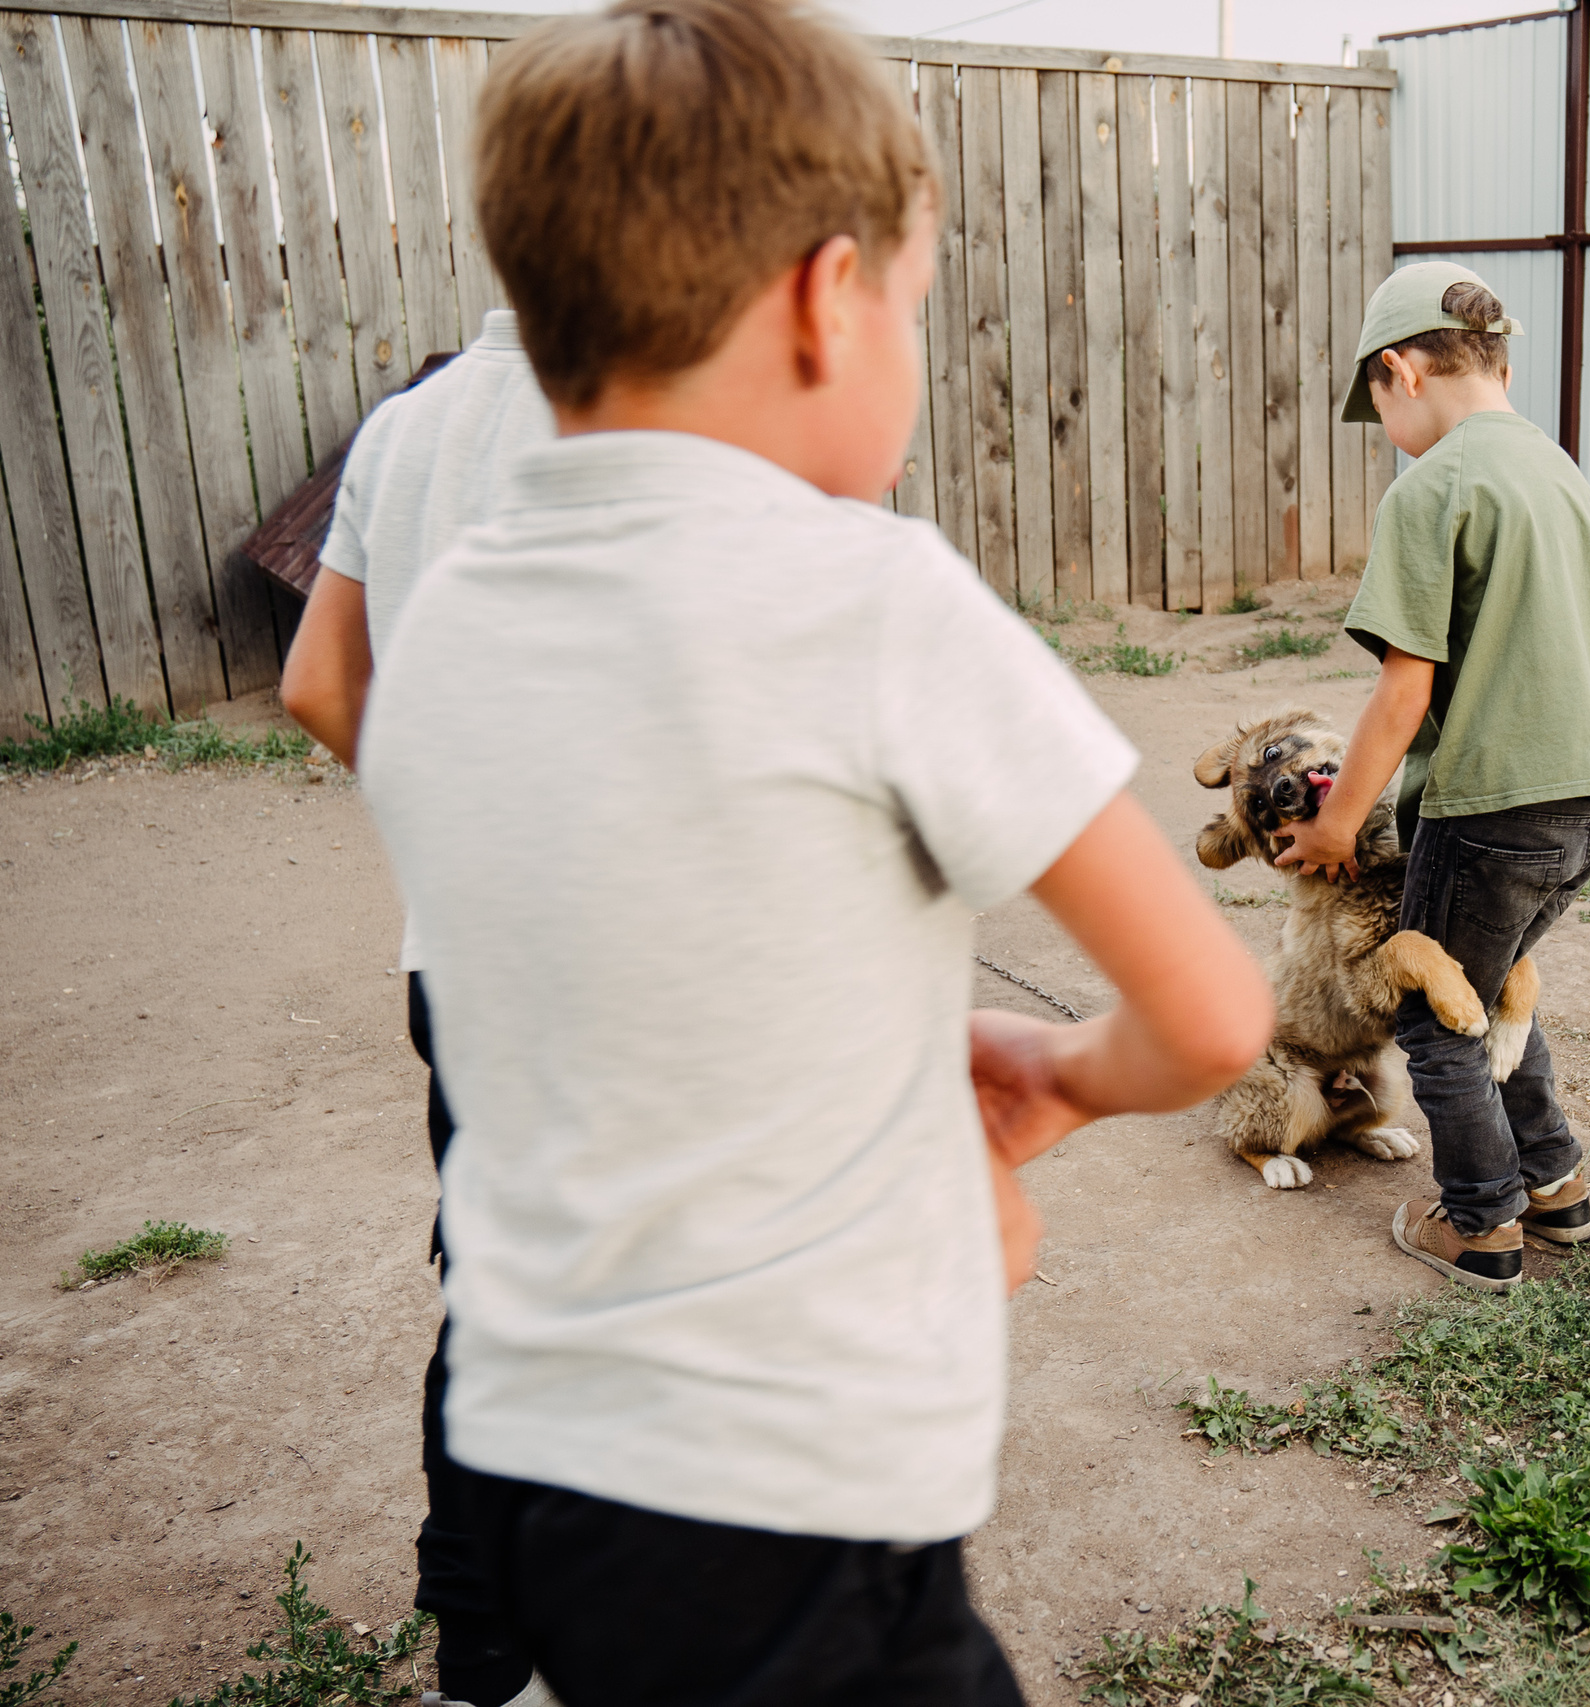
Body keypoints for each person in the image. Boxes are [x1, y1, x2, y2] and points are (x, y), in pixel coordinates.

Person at [355, 1, 1272, 1701]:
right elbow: (1212, 1013)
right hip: (790, 1515)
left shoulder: (450, 624)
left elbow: (660, 980)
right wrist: (1061, 1074)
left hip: (540, 1482)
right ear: (820, 296)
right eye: (914, 311)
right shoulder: (872, 596)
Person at [1272, 261, 1590, 1295]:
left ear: (1401, 371)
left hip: (1495, 801)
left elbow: (1404, 697)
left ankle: (1481, 1226)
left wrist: (1335, 830)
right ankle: (1555, 1187)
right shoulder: (1553, 468)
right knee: (1486, 993)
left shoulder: (1435, 488)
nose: (1384, 429)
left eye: (1374, 403)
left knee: (1431, 1017)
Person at [277, 314, 554, 1707]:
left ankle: (479, 1653)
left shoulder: (407, 426)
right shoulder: (653, 410)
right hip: (623, 958)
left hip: (454, 950)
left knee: (495, 1291)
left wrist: (449, 830)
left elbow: (319, 681)